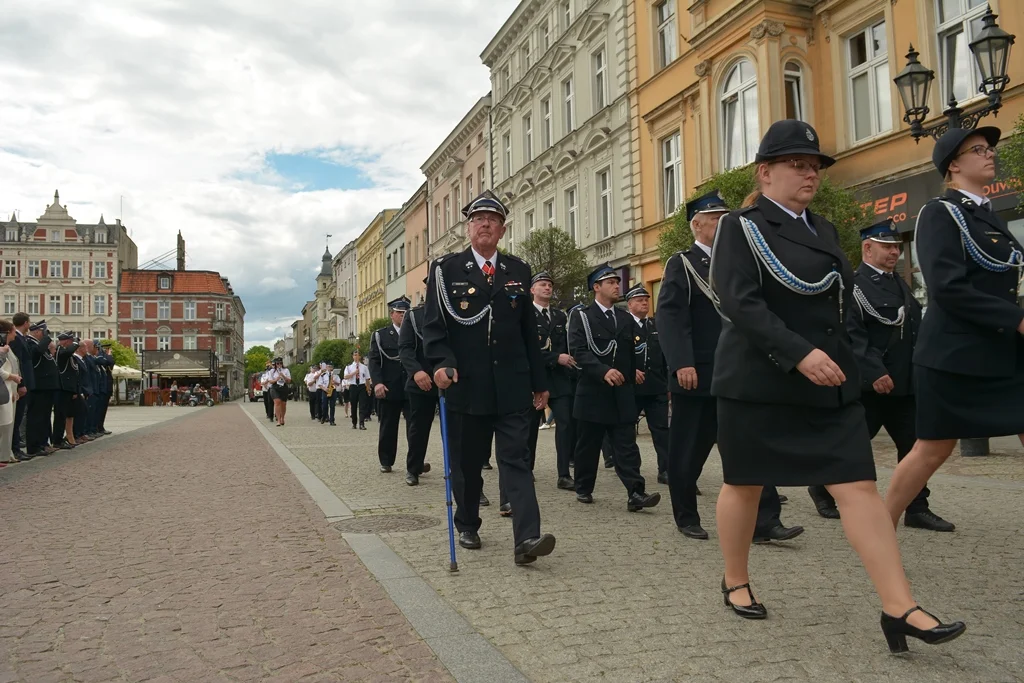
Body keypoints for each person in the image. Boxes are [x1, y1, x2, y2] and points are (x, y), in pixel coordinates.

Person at [710, 119, 964, 651]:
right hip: (760, 381)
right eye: (798, 165)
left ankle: (900, 606)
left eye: (815, 166)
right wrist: (799, 354)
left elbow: (836, 305)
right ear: (766, 172)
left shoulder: (823, 229)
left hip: (830, 383)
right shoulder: (740, 225)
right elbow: (739, 302)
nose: (810, 174)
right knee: (746, 483)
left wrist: (857, 370)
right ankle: (736, 579)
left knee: (858, 485)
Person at [885, 126, 1024, 529]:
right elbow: (947, 287)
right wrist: (1014, 319)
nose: (990, 154)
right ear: (954, 166)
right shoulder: (939, 213)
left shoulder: (986, 214)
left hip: (1000, 352)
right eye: (978, 150)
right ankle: (880, 524)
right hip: (955, 356)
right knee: (933, 448)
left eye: (990, 148)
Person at [423, 190, 556, 566]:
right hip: (467, 384)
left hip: (513, 385)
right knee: (467, 462)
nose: (485, 224)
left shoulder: (518, 270)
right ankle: (467, 522)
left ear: (502, 229)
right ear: (468, 228)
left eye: (493, 220)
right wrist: (441, 363)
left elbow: (529, 331)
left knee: (517, 460)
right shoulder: (445, 270)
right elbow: (435, 328)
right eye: (478, 219)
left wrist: (540, 381)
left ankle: (527, 538)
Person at [657, 191, 796, 541]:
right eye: (717, 218)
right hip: (698, 374)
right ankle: (686, 515)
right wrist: (681, 363)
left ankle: (765, 521)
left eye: (725, 216)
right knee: (689, 452)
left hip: (739, 372)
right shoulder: (683, 263)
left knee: (752, 447)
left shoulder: (739, 262)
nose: (723, 224)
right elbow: (672, 318)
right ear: (697, 224)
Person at [807, 220, 953, 532]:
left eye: (897, 247)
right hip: (870, 385)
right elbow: (852, 335)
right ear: (867, 248)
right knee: (851, 444)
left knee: (914, 447)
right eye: (887, 247)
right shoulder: (854, 286)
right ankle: (821, 487)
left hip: (905, 383)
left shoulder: (899, 284)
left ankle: (917, 507)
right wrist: (874, 371)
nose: (895, 253)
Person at [569, 264, 661, 513]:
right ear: (596, 287)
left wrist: (633, 374)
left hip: (621, 393)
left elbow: (629, 353)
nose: (616, 286)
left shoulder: (623, 317)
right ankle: (583, 487)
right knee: (588, 445)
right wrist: (602, 371)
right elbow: (578, 351)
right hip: (593, 393)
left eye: (617, 282)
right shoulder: (582, 316)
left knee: (626, 445)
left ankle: (636, 492)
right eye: (610, 282)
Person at [524, 272, 576, 496]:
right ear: (532, 290)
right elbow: (527, 351)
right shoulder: (525, 315)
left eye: (549, 285)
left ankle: (564, 474)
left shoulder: (559, 316)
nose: (547, 288)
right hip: (534, 378)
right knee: (529, 428)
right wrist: (555, 358)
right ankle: (526, 468)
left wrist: (563, 360)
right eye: (542, 285)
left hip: (559, 379)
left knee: (566, 424)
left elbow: (564, 345)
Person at [398, 287, 435, 486]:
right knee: (418, 428)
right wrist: (416, 371)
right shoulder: (413, 316)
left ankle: (461, 472)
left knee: (460, 430)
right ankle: (414, 468)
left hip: (450, 378)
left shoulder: (456, 312)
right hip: (421, 381)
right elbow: (404, 348)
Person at [369, 297, 411, 473]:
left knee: (415, 428)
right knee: (388, 426)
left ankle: (415, 462)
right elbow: (374, 361)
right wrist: (377, 383)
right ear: (391, 314)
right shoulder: (381, 335)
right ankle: (386, 460)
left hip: (411, 386)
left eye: (405, 313)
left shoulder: (416, 332)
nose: (402, 316)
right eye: (399, 313)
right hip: (389, 387)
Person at [26, 321, 57, 458]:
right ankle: (34, 446)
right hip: (38, 387)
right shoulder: (31, 343)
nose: (45, 336)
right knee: (36, 417)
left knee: (44, 417)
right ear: (38, 332)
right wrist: (47, 339)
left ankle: (42, 443)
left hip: (45, 387)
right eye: (44, 332)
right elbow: (37, 352)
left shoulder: (39, 346)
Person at [9, 313, 34, 461]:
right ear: (25, 323)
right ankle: (15, 449)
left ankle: (16, 448)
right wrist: (21, 384)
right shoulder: (17, 339)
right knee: (17, 418)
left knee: (18, 418)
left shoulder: (21, 338)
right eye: (29, 322)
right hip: (20, 383)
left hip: (24, 383)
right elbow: (18, 364)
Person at [1, 319, 23, 466]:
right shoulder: (3, 348)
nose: (16, 334)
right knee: (4, 424)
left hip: (10, 389)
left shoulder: (8, 347)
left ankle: (6, 453)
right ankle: (3, 454)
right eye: (14, 331)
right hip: (4, 388)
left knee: (9, 423)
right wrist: (13, 377)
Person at [344, 350, 371, 429]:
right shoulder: (349, 367)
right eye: (354, 355)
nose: (356, 356)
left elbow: (367, 379)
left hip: (362, 386)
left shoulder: (364, 367)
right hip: (353, 386)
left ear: (359, 356)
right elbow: (345, 377)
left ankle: (362, 423)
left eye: (357, 355)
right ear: (352, 356)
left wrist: (368, 389)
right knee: (354, 405)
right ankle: (354, 422)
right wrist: (354, 373)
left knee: (362, 405)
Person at [268, 357, 291, 426]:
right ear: (275, 364)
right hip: (275, 387)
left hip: (283, 387)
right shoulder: (272, 371)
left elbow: (289, 381)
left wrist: (283, 376)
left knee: (283, 404)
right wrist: (276, 379)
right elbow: (270, 381)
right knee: (277, 402)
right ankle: (278, 419)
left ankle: (282, 418)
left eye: (280, 363)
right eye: (277, 363)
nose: (279, 365)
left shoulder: (286, 370)